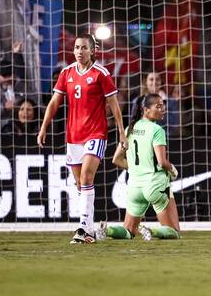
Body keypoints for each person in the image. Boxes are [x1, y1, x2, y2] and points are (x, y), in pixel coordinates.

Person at [37, 34, 127, 244]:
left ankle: (83, 228)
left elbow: (114, 105)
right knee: (79, 183)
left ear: (92, 50)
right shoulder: (66, 72)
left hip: (96, 133)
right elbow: (54, 102)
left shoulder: (101, 73)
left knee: (86, 177)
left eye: (84, 48)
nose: (79, 51)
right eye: (77, 47)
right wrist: (43, 127)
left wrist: (122, 132)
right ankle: (90, 228)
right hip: (73, 136)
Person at [101, 94, 181, 241]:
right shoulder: (157, 130)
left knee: (128, 231)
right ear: (145, 110)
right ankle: (151, 231)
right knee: (174, 232)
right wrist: (173, 169)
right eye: (158, 106)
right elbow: (162, 162)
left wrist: (135, 169)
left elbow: (116, 159)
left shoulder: (129, 129)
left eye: (163, 105)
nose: (163, 109)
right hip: (155, 184)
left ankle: (106, 230)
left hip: (135, 187)